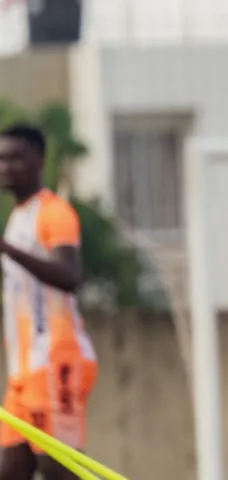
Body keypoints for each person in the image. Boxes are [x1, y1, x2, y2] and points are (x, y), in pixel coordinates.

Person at [0, 125, 97, 480]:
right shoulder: (18, 217)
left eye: (15, 158)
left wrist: (8, 250)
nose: (5, 167)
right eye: (0, 159)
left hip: (56, 362)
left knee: (59, 469)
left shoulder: (54, 212)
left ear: (39, 160)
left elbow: (69, 276)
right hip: (22, 373)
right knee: (10, 471)